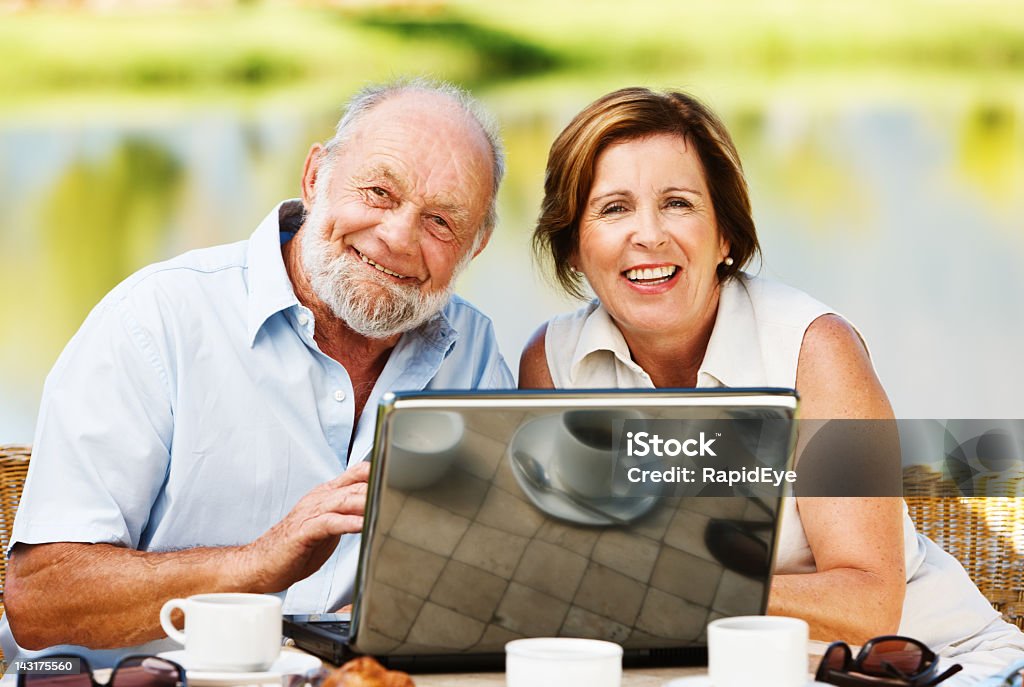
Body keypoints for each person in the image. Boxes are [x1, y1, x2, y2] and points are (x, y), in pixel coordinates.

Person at [1, 79, 514, 665]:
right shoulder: (156, 321)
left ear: (476, 245)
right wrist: (260, 561)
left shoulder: (473, 352)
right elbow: (41, 599)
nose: (398, 236)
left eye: (441, 222)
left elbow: (494, 568)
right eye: (378, 192)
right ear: (316, 177)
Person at [520, 87, 1024, 676]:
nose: (649, 234)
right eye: (613, 209)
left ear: (726, 237)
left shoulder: (816, 351)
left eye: (678, 203)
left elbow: (868, 606)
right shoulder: (552, 362)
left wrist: (668, 586)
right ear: (575, 247)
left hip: (915, 667)